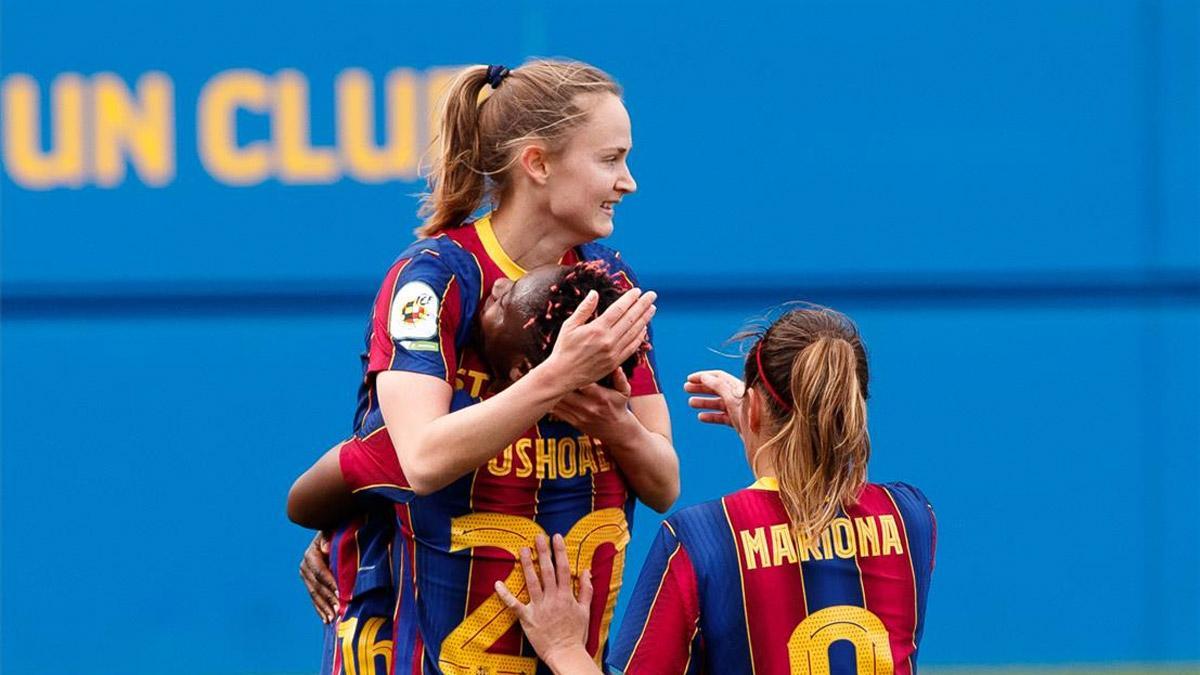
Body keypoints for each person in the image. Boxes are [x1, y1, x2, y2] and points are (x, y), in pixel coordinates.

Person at [294, 59, 679, 675]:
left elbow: (663, 482)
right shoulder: (433, 281)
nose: (628, 181)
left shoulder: (609, 285)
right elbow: (420, 459)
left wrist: (616, 426)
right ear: (538, 163)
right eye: (610, 159)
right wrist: (554, 377)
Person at [495, 306, 937, 674]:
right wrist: (764, 423)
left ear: (757, 407)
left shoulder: (702, 538)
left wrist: (564, 647)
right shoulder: (912, 516)